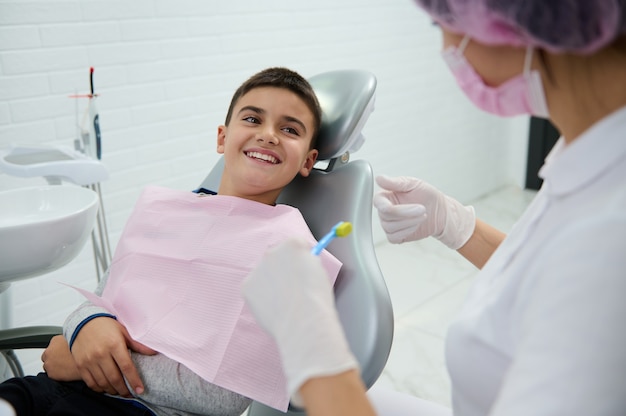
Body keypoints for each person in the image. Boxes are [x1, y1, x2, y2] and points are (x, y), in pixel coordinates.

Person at [241, 1, 626, 415]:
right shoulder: (588, 151)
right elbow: (548, 276)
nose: (446, 44)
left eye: (443, 20)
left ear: (508, 25)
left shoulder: (610, 238)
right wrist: (456, 224)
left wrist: (309, 339)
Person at [0, 67, 344, 416]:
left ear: (308, 160)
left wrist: (84, 363)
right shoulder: (163, 213)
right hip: (48, 389)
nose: (268, 135)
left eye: (289, 129)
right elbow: (98, 300)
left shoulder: (291, 253)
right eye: (253, 119)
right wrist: (86, 325)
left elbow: (226, 394)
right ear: (222, 138)